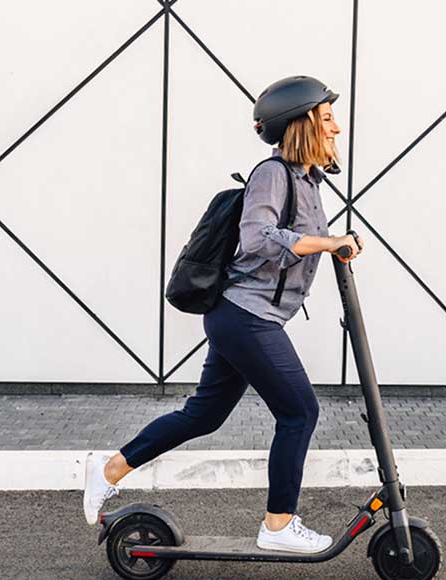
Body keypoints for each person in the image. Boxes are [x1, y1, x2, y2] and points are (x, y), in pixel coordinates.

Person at [83, 75, 364, 553]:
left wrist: (335, 244)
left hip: (247, 318)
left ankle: (108, 469)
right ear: (304, 123)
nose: (337, 128)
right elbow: (258, 236)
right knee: (299, 412)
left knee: (203, 415)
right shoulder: (272, 174)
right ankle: (278, 526)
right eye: (328, 118)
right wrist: (326, 241)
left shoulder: (309, 180)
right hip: (245, 316)